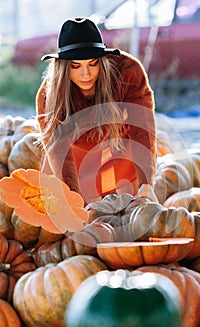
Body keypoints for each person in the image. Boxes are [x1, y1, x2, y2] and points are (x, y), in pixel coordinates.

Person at [36, 17, 157, 204]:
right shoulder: (48, 96)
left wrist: (147, 183)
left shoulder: (128, 72)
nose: (86, 74)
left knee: (128, 206)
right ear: (63, 68)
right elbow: (58, 150)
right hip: (77, 146)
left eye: (93, 64)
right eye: (76, 66)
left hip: (120, 140)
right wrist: (74, 202)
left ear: (103, 61)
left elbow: (143, 127)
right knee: (63, 206)